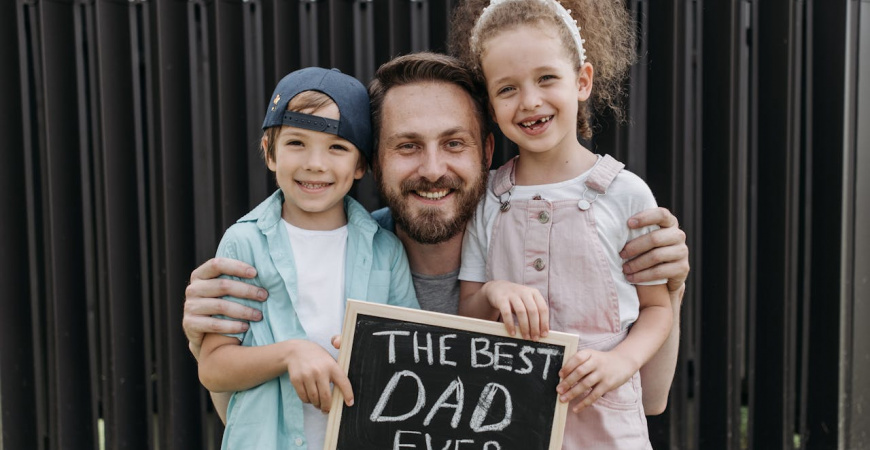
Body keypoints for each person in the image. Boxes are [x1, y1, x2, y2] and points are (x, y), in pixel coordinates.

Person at [182, 52, 689, 424]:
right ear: (372, 161)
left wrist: (667, 293)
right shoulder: (341, 251)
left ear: (487, 150)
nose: (432, 169)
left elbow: (650, 400)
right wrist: (205, 342)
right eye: (407, 146)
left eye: (453, 143)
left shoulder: (541, 245)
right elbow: (244, 417)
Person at [451, 0, 668, 448]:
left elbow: (657, 309)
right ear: (490, 104)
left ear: (582, 81)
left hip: (605, 421)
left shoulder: (625, 194)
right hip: (509, 418)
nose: (530, 101)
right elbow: (468, 309)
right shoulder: (487, 199)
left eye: (546, 78)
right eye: (507, 88)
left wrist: (621, 362)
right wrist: (494, 291)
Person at [195, 67, 419, 450]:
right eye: (297, 143)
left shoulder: (385, 251)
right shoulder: (244, 243)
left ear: (361, 164)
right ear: (269, 153)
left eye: (337, 147)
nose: (315, 163)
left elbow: (412, 356)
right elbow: (214, 367)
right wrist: (290, 353)